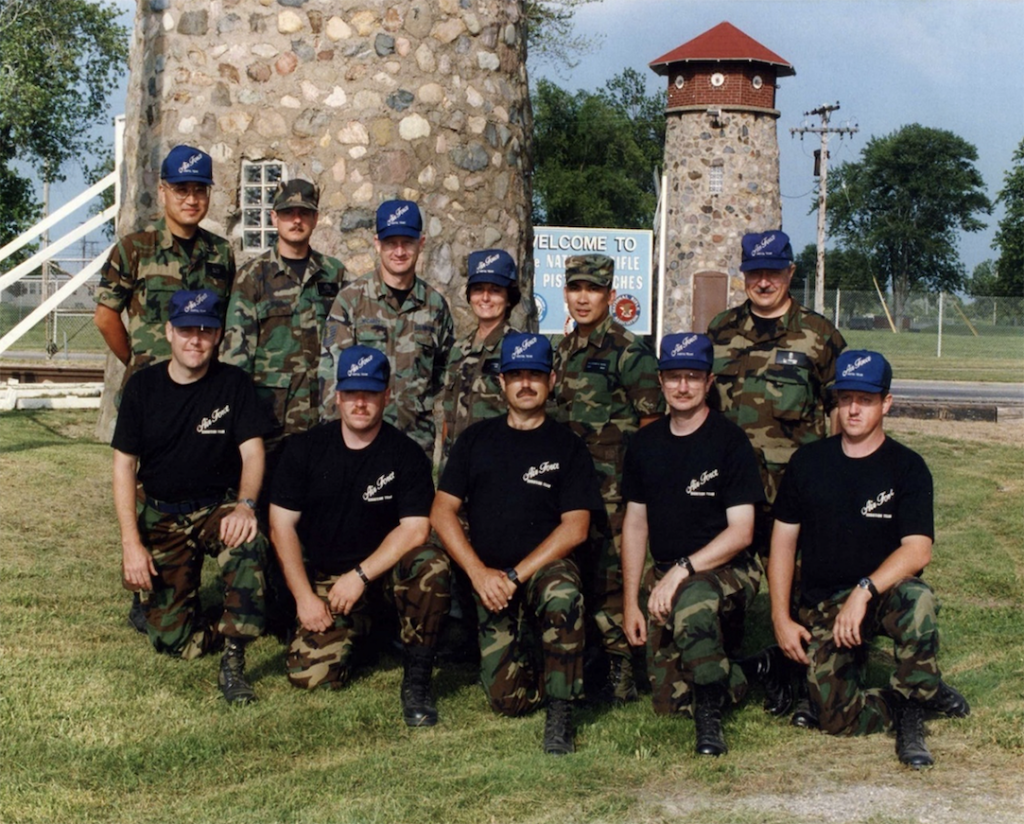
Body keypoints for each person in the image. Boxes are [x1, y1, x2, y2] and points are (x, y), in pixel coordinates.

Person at [768, 350, 970, 767]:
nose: (854, 409)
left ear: (886, 403)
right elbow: (782, 545)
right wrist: (780, 619)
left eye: (865, 399)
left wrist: (864, 591)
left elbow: (918, 549)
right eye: (846, 399)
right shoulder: (808, 463)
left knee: (918, 599)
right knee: (835, 718)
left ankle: (914, 714)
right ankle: (907, 696)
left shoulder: (908, 467)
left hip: (881, 595)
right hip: (824, 603)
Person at [432, 333, 602, 754]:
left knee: (562, 594)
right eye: (516, 375)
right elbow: (441, 511)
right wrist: (479, 574)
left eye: (535, 375)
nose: (526, 383)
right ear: (501, 383)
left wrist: (514, 575)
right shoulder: (476, 439)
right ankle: (571, 659)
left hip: (543, 571)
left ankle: (561, 714)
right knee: (506, 700)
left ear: (552, 379)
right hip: (489, 579)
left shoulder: (568, 445)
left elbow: (576, 527)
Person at [94, 144, 236, 634]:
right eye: (182, 190)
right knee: (142, 491)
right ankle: (144, 589)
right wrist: (136, 362)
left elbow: (225, 323)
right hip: (151, 393)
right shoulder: (134, 248)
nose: (192, 199)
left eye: (200, 190)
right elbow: (106, 315)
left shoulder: (221, 253)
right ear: (163, 192)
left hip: (202, 391)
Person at [707, 229, 846, 724]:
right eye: (754, 272)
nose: (763, 281)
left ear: (791, 273)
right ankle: (727, 677)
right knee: (724, 590)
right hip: (731, 495)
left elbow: (844, 412)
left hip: (796, 494)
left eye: (773, 271)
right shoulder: (719, 331)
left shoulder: (819, 335)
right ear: (744, 276)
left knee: (806, 590)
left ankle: (802, 680)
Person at [269, 346, 451, 727]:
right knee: (310, 676)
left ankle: (417, 679)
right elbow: (280, 526)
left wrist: (361, 576)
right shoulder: (304, 449)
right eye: (352, 393)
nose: (361, 403)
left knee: (430, 564)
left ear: (387, 395)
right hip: (326, 582)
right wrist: (305, 598)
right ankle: (367, 637)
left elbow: (416, 528)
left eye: (370, 393)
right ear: (337, 395)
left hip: (381, 578)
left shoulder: (406, 455)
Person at [621, 333, 784, 756]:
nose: (682, 387)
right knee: (669, 702)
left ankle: (709, 724)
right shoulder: (643, 445)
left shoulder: (730, 443)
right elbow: (636, 525)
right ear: (660, 381)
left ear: (709, 382)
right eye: (673, 376)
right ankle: (757, 667)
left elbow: (742, 532)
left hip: (727, 566)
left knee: (692, 603)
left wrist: (682, 570)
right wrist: (630, 603)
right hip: (669, 569)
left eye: (692, 377)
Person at [110, 289, 268, 704]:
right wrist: (131, 542)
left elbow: (253, 453)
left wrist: (246, 506)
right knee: (172, 642)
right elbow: (123, 465)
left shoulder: (233, 384)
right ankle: (218, 613)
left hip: (214, 507)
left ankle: (233, 660)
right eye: (185, 330)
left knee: (247, 541)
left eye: (205, 330)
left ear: (217, 336)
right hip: (162, 515)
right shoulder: (142, 387)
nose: (195, 340)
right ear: (169, 332)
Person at [220, 178, 346, 636]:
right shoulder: (253, 278)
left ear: (314, 219)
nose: (297, 220)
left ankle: (311, 600)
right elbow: (235, 360)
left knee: (316, 517)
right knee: (270, 514)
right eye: (288, 212)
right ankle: (271, 607)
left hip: (320, 423)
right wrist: (244, 429)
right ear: (274, 218)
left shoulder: (334, 274)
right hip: (269, 424)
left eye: (305, 212)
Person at [552, 253, 663, 703]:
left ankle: (624, 665)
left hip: (616, 488)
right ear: (565, 293)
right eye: (576, 289)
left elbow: (653, 428)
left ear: (610, 296)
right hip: (572, 487)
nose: (583, 298)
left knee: (618, 574)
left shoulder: (628, 351)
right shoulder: (563, 350)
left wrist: (642, 489)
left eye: (593, 290)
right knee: (584, 570)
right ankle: (592, 653)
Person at [318, 199, 454, 461]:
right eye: (391, 243)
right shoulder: (351, 301)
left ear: (421, 243)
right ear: (377, 243)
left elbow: (443, 377)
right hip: (360, 443)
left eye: (408, 242)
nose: (400, 251)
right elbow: (331, 378)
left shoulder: (435, 306)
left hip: (415, 443)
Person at [440, 248, 521, 467]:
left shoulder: (518, 348)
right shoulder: (459, 349)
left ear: (508, 297)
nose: (485, 298)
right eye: (478, 290)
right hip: (456, 466)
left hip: (498, 466)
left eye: (495, 290)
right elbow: (448, 417)